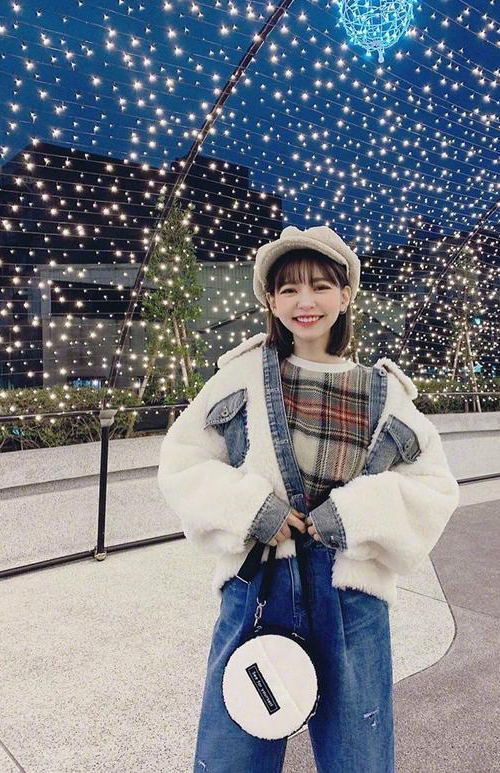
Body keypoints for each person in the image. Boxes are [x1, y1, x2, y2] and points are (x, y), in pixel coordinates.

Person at [157, 224, 460, 773]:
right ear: (271, 302)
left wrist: (353, 515)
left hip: (351, 595)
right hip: (259, 585)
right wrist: (252, 510)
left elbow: (434, 485)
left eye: (320, 286)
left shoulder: (384, 392)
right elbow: (182, 460)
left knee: (357, 754)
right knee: (233, 751)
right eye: (289, 289)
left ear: (345, 296)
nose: (305, 302)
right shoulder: (243, 375)